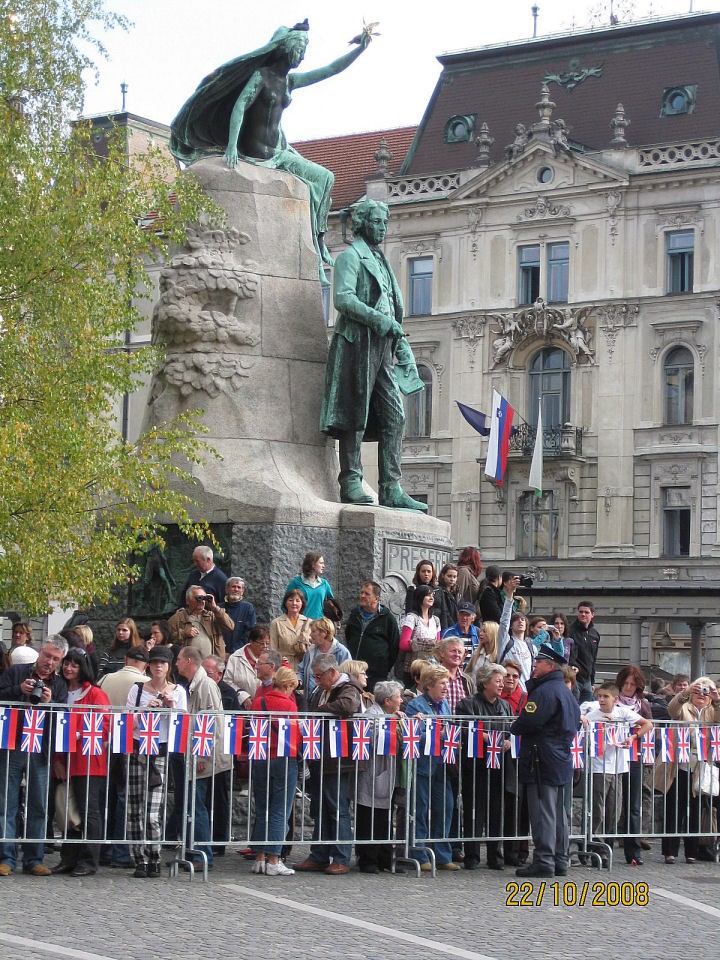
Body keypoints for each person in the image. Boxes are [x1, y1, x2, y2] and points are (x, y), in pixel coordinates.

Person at [170, 20, 371, 271]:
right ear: (286, 48)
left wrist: (359, 50)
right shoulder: (261, 77)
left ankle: (318, 242)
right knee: (321, 179)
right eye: (301, 48)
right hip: (259, 153)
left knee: (324, 178)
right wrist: (232, 146)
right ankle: (316, 246)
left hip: (279, 151)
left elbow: (330, 69)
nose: (303, 55)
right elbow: (240, 106)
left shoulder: (289, 82)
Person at [320, 199, 426, 511]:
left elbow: (392, 304)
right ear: (364, 222)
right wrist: (379, 319)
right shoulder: (350, 257)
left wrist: (394, 334)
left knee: (396, 414)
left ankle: (391, 487)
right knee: (355, 412)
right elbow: (342, 298)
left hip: (383, 345)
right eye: (378, 222)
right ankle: (351, 480)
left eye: (384, 222)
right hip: (357, 342)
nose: (383, 228)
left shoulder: (382, 260)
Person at [0, 634, 69, 877]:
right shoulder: (17, 672)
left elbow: (63, 719)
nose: (49, 662)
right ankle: (6, 857)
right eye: (47, 655)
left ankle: (34, 858)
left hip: (41, 749)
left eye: (55, 659)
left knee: (39, 805)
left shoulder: (60, 684)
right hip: (13, 744)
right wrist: (18, 690)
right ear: (40, 651)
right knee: (6, 803)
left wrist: (52, 704)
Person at [510, 646, 581, 878]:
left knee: (543, 812)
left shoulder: (545, 691)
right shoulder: (564, 691)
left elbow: (529, 721)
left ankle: (544, 859)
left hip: (541, 758)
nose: (534, 665)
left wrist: (516, 726)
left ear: (550, 666)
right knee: (558, 813)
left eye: (538, 662)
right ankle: (559, 859)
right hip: (558, 757)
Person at [294, 654, 362, 874]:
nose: (316, 681)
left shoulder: (349, 687)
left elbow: (348, 706)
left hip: (338, 759)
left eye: (319, 676)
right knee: (320, 808)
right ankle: (319, 854)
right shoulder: (321, 690)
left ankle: (341, 856)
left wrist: (320, 711)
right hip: (321, 756)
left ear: (332, 673)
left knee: (337, 807)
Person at [126, 646, 188, 878]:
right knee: (134, 808)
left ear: (169, 666)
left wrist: (171, 707)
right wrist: (146, 709)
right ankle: (138, 860)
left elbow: (181, 725)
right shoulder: (138, 689)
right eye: (154, 663)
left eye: (162, 663)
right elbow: (128, 720)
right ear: (149, 666)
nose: (158, 666)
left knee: (152, 812)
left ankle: (154, 856)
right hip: (138, 748)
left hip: (161, 752)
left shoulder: (178, 691)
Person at [52, 648, 111, 877]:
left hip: (89, 759)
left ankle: (88, 859)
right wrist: (58, 759)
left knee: (89, 811)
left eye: (73, 665)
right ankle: (69, 857)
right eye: (66, 664)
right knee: (69, 811)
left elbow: (104, 725)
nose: (68, 668)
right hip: (68, 758)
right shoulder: (61, 691)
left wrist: (79, 733)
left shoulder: (95, 694)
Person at [580, 682, 652, 861]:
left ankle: (606, 844)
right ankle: (594, 846)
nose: (602, 700)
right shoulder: (593, 715)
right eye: (599, 696)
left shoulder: (622, 712)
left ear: (615, 699)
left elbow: (647, 724)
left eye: (606, 696)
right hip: (598, 767)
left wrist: (633, 736)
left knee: (614, 810)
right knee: (597, 809)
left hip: (618, 767)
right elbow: (583, 734)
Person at [175, 647, 231, 870]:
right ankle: (193, 851)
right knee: (192, 805)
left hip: (201, 756)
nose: (176, 663)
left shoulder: (205, 685)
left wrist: (203, 754)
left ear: (188, 661)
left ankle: (202, 854)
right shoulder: (195, 684)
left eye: (179, 659)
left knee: (196, 806)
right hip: (194, 753)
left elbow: (211, 722)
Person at [97, 645, 150, 869]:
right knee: (124, 798)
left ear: (126, 659)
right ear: (145, 665)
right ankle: (121, 851)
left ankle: (103, 849)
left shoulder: (106, 678)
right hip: (129, 743)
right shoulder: (145, 683)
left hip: (104, 740)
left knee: (105, 797)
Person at [457, 662, 513, 870]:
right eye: (497, 681)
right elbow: (462, 729)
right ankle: (471, 855)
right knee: (474, 811)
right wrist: (484, 737)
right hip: (476, 765)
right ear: (485, 682)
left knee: (496, 811)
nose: (502, 684)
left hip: (499, 765)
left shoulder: (505, 705)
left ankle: (495, 856)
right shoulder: (468, 704)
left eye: (503, 681)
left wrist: (507, 741)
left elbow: (510, 730)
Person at [659, 676, 720, 864]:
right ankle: (670, 851)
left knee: (695, 809)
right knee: (674, 807)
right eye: (698, 690)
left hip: (701, 765)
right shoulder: (684, 707)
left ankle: (692, 851)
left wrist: (717, 699)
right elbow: (672, 710)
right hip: (678, 763)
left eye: (706, 690)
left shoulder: (712, 710)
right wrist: (685, 693)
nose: (702, 694)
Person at [405, 664, 459, 871]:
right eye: (442, 683)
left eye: (447, 682)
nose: (446, 687)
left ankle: (442, 855)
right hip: (422, 764)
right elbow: (414, 735)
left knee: (445, 807)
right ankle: (419, 853)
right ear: (429, 685)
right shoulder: (416, 706)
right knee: (420, 809)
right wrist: (439, 735)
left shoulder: (444, 705)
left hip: (442, 763)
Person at [249, 666, 299, 877]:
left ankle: (259, 858)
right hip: (283, 759)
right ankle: (274, 859)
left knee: (262, 809)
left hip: (260, 758)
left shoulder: (257, 702)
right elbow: (295, 737)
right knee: (280, 811)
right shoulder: (289, 705)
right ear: (287, 686)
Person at [356, 679, 404, 873]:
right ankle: (368, 859)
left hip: (387, 773)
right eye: (398, 697)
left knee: (384, 817)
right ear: (387, 701)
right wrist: (393, 723)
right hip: (373, 772)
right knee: (370, 817)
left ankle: (384, 857)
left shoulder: (391, 714)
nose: (401, 701)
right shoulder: (371, 715)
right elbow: (374, 739)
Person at [615, 665, 654, 864]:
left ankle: (634, 850)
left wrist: (636, 735)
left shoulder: (642, 705)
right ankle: (603, 845)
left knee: (634, 804)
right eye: (625, 683)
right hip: (612, 756)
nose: (628, 687)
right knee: (611, 803)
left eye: (632, 684)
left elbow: (649, 726)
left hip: (634, 755)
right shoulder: (611, 701)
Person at [344, 581, 400, 692]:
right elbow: (349, 636)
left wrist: (383, 667)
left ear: (376, 598)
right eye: (361, 593)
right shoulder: (354, 615)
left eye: (367, 594)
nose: (362, 596)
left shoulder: (387, 618)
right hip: (354, 672)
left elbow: (394, 646)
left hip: (376, 674)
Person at [168, 585, 233, 660]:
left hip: (211, 664)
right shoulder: (178, 618)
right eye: (198, 598)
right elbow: (167, 638)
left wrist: (215, 608)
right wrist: (183, 633)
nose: (201, 601)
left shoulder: (212, 616)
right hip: (188, 664)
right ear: (187, 600)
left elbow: (230, 626)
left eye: (204, 598)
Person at [396, 584, 441, 685]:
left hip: (431, 668)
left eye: (432, 595)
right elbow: (403, 644)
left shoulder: (436, 620)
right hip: (414, 668)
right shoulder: (412, 618)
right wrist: (426, 643)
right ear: (420, 597)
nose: (431, 598)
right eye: (428, 595)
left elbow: (438, 645)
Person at [297, 617, 351, 698]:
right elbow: (302, 670)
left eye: (313, 631)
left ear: (324, 633)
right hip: (309, 699)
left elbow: (348, 677)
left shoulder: (342, 652)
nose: (310, 635)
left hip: (332, 698)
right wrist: (298, 680)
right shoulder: (310, 650)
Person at [225, 624, 271, 707]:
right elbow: (227, 682)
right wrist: (243, 696)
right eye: (261, 643)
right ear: (251, 642)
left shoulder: (272, 657)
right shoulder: (235, 658)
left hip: (266, 705)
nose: (265, 647)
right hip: (241, 706)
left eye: (267, 643)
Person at [269, 588, 312, 673]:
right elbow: (273, 649)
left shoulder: (309, 622)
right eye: (291, 600)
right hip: (284, 668)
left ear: (302, 603)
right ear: (285, 603)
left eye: (298, 601)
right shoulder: (276, 623)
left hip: (304, 667)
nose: (294, 603)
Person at [284, 552, 335, 622]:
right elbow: (285, 604)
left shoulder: (324, 584)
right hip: (301, 624)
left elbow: (332, 605)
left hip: (319, 626)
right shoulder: (296, 583)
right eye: (321, 563)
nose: (323, 566)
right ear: (313, 564)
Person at [568, 601, 600, 703]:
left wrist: (592, 681)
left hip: (587, 681)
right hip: (574, 678)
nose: (583, 614)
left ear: (592, 615)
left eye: (586, 612)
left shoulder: (594, 634)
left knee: (586, 710)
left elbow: (593, 659)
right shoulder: (570, 631)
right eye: (581, 612)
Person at [221, 577, 257, 656]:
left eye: (239, 587)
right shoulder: (218, 608)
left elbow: (249, 633)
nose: (236, 589)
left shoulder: (248, 608)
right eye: (233, 586)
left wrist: (233, 652)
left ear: (242, 591)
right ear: (226, 589)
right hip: (220, 653)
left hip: (240, 654)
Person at [442, 600, 480, 665]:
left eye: (467, 615)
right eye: (461, 614)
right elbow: (440, 653)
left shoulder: (478, 632)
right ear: (458, 615)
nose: (464, 618)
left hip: (472, 671)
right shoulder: (448, 633)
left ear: (473, 618)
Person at [434, 563, 459, 631]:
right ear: (443, 575)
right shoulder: (439, 591)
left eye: (454, 577)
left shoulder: (456, 592)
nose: (452, 579)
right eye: (449, 576)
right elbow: (445, 612)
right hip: (445, 626)